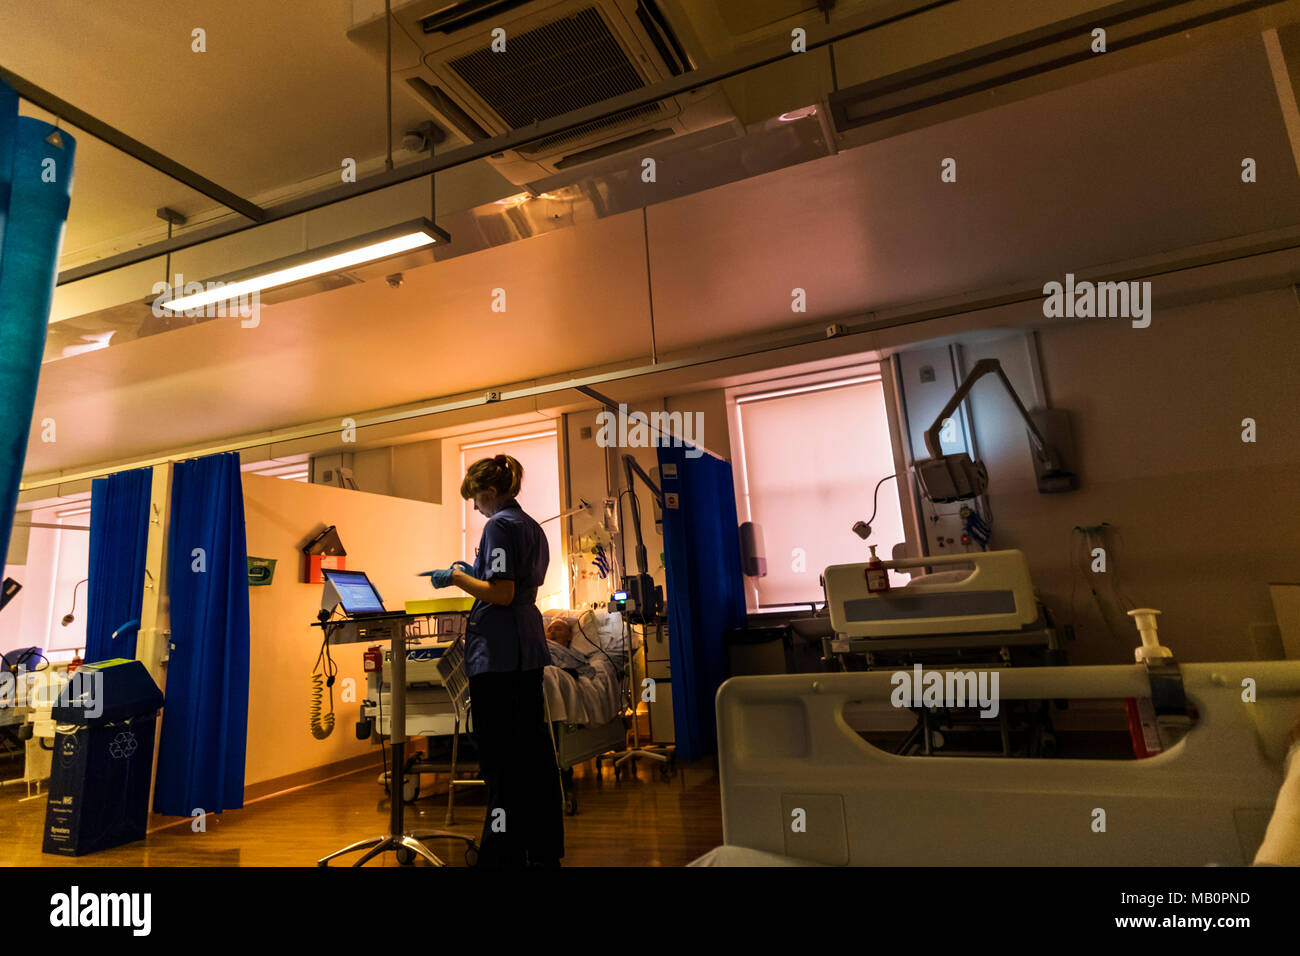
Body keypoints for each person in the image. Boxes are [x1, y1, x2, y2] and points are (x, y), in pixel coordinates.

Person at [423, 453, 563, 867]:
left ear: (489, 492)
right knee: (534, 760)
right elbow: (511, 583)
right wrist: (477, 570)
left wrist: (457, 577)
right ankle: (541, 852)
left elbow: (500, 593)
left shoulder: (498, 524)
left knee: (501, 765)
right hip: (525, 652)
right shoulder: (531, 527)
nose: (475, 508)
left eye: (475, 500)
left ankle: (500, 856)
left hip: (500, 657)